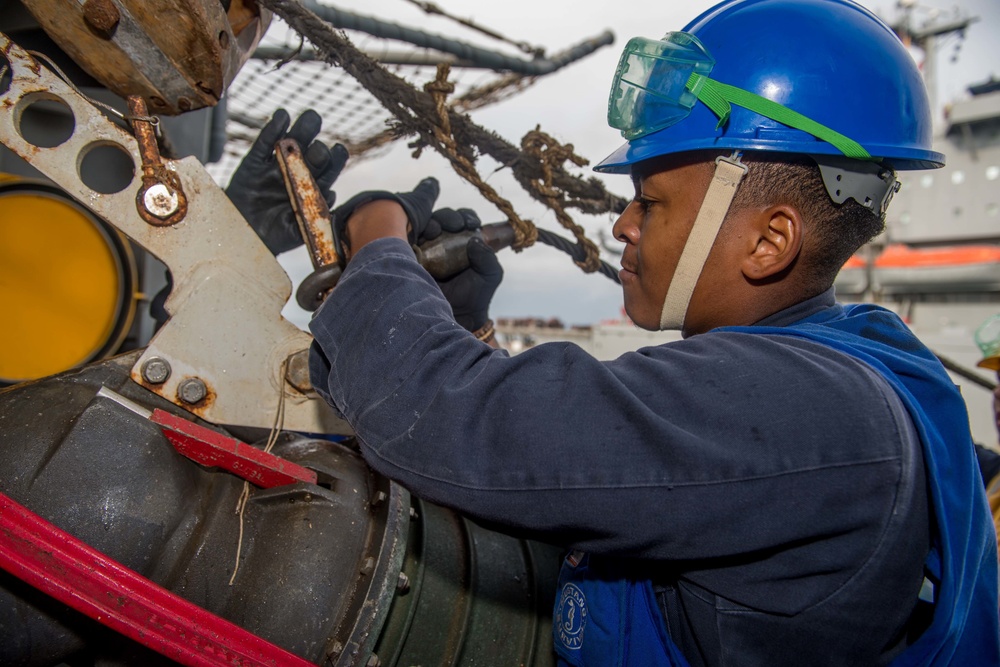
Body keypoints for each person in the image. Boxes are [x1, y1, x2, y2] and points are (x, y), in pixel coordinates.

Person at [307, 0, 1000, 664]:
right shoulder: (853, 359)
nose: (621, 225)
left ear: (769, 240)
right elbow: (582, 463)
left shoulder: (799, 406)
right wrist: (469, 325)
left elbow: (449, 419)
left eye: (651, 201)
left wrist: (378, 240)